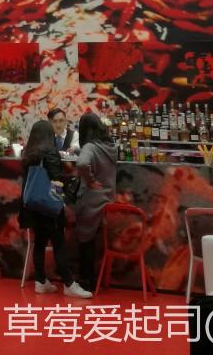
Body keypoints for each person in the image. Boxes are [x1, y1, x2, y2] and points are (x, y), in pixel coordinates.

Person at [18, 120, 93, 298]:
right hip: (49, 205)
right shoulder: (50, 152)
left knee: (40, 242)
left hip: (33, 205)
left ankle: (40, 281)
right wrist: (71, 182)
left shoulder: (28, 154)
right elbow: (56, 178)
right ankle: (69, 284)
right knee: (59, 243)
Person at [72, 112, 117, 292]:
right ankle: (95, 279)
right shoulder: (110, 145)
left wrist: (90, 181)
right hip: (108, 198)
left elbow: (82, 164)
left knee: (85, 240)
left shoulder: (90, 146)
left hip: (92, 200)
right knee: (93, 240)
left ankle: (86, 280)